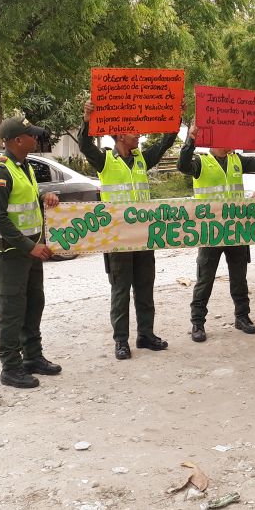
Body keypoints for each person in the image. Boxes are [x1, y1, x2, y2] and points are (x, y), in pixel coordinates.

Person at [79, 101, 177, 360]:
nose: (140, 135)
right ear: (121, 135)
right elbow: (86, 146)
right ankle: (121, 341)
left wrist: (174, 115)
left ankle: (146, 335)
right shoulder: (105, 161)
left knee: (145, 287)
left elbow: (165, 142)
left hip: (144, 235)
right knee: (121, 290)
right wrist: (87, 120)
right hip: (118, 237)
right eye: (135, 131)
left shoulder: (143, 159)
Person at [178, 123, 255, 342]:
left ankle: (242, 317)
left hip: (236, 230)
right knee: (205, 279)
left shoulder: (236, 160)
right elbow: (183, 165)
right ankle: (197, 323)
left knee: (239, 278)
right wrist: (190, 140)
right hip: (211, 232)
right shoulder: (201, 162)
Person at [0, 115, 63, 389]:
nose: (36, 138)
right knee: (11, 310)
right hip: (10, 254)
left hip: (30, 252)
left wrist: (44, 197)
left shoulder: (23, 166)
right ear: (18, 140)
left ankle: (32, 356)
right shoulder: (0, 172)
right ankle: (10, 367)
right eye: (32, 135)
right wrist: (30, 247)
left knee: (33, 304)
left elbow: (26, 198)